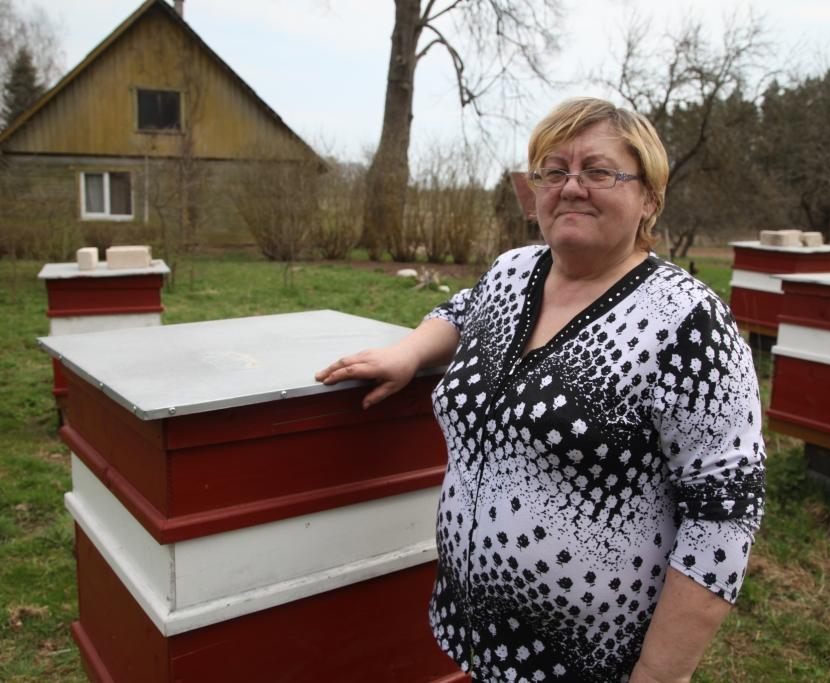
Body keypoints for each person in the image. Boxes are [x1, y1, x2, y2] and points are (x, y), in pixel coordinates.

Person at [315, 97, 765, 683]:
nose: (571, 187)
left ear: (649, 197)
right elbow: (461, 309)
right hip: (478, 635)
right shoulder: (513, 271)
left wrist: (659, 675)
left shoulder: (686, 320)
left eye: (598, 171)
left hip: (593, 661)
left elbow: (723, 514)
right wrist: (408, 352)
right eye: (553, 171)